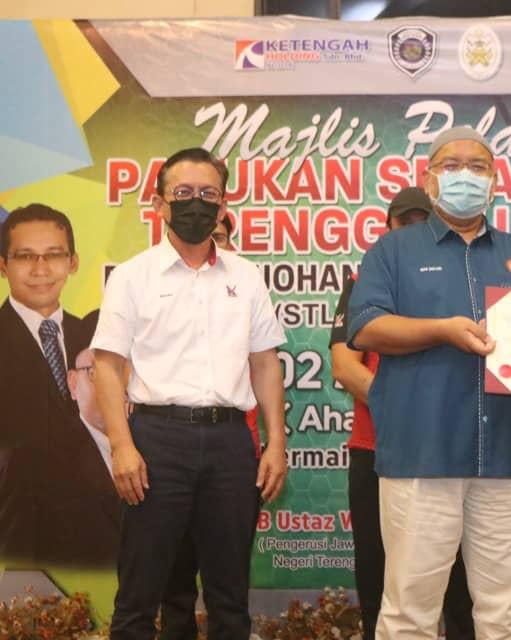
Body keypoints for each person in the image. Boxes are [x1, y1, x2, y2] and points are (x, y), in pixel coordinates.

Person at [347, 126, 511, 639]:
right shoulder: (392, 250)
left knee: (508, 612)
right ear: (429, 179)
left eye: (477, 167)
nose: (465, 175)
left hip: (510, 457)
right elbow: (366, 327)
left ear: (495, 181)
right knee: (410, 613)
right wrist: (441, 331)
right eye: (451, 165)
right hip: (422, 454)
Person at [91, 147, 288, 640]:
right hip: (157, 441)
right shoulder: (132, 276)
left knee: (230, 599)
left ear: (223, 206)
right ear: (159, 204)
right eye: (182, 193)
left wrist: (277, 444)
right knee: (138, 597)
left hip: (230, 445)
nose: (196, 203)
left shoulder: (246, 277)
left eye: (208, 194)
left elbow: (265, 364)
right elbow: (107, 367)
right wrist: (121, 446)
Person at [330, 186, 475, 640]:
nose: (411, 230)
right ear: (387, 227)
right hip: (376, 449)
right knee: (378, 572)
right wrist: (405, 406)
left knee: (458, 582)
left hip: (449, 449)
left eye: (421, 221)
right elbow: (343, 366)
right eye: (402, 222)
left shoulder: (466, 278)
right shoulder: (365, 281)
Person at [156, 212, 264, 640]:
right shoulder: (155, 288)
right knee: (174, 580)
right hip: (171, 453)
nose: (209, 242)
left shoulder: (246, 288)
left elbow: (266, 369)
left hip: (234, 454)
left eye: (219, 236)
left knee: (229, 585)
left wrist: (271, 446)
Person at [0, 203, 120, 567]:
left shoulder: (96, 338)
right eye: (25, 256)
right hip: (19, 540)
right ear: (3, 265)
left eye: (53, 255)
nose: (40, 269)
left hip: (100, 543)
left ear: (73, 262)